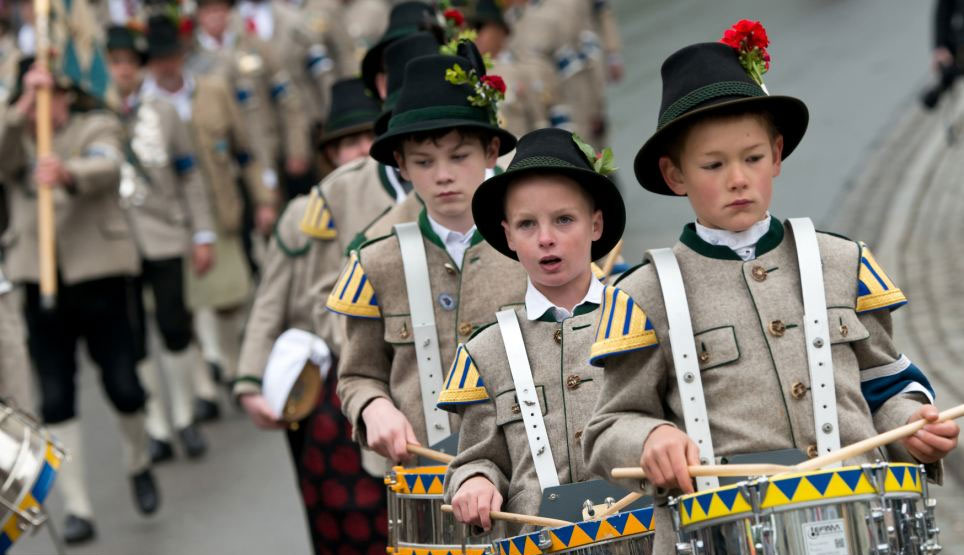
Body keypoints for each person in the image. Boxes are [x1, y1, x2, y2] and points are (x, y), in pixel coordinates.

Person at [581, 24, 960, 552]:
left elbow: (886, 384)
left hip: (858, 526)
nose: (738, 178)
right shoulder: (642, 294)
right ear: (674, 174)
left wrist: (911, 425)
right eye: (713, 165)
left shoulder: (842, 261)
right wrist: (651, 438)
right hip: (724, 535)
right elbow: (607, 428)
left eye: (753, 158)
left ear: (777, 155)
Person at [325, 50, 527, 464]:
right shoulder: (376, 261)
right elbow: (359, 376)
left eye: (459, 156)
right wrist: (372, 407)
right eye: (423, 162)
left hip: (528, 476)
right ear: (400, 164)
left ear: (491, 151)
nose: (443, 175)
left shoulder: (534, 247)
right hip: (429, 486)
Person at [0, 59, 159, 544]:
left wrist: (66, 172)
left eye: (55, 95)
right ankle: (80, 507)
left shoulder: (97, 123)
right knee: (55, 396)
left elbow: (107, 164)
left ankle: (139, 460)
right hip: (39, 279)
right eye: (40, 97)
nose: (51, 106)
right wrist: (23, 106)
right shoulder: (17, 137)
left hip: (101, 274)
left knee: (123, 385)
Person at [440, 127, 624, 533]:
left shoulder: (641, 315)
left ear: (595, 225)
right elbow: (477, 455)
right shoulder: (486, 351)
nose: (545, 239)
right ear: (507, 235)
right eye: (526, 224)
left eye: (563, 219)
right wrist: (475, 480)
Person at [235, 75, 388, 553]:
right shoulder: (305, 214)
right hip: (325, 387)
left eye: (367, 138)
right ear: (330, 155)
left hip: (393, 375)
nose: (359, 150)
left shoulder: (405, 205)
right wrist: (247, 380)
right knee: (338, 520)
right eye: (346, 143)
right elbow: (269, 301)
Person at [141, 14, 276, 392]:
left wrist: (264, 198)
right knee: (181, 305)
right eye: (156, 58)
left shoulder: (213, 90)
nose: (165, 65)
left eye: (170, 55)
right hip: (169, 220)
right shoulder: (143, 106)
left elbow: (245, 149)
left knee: (230, 295)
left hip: (220, 206)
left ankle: (234, 365)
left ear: (181, 55)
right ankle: (204, 378)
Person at [106, 24, 215, 462]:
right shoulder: (96, 113)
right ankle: (155, 425)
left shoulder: (163, 112)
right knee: (132, 339)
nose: (123, 72)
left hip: (165, 233)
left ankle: (185, 415)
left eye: (130, 64)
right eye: (114, 64)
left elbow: (188, 174)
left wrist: (201, 231)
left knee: (174, 326)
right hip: (114, 244)